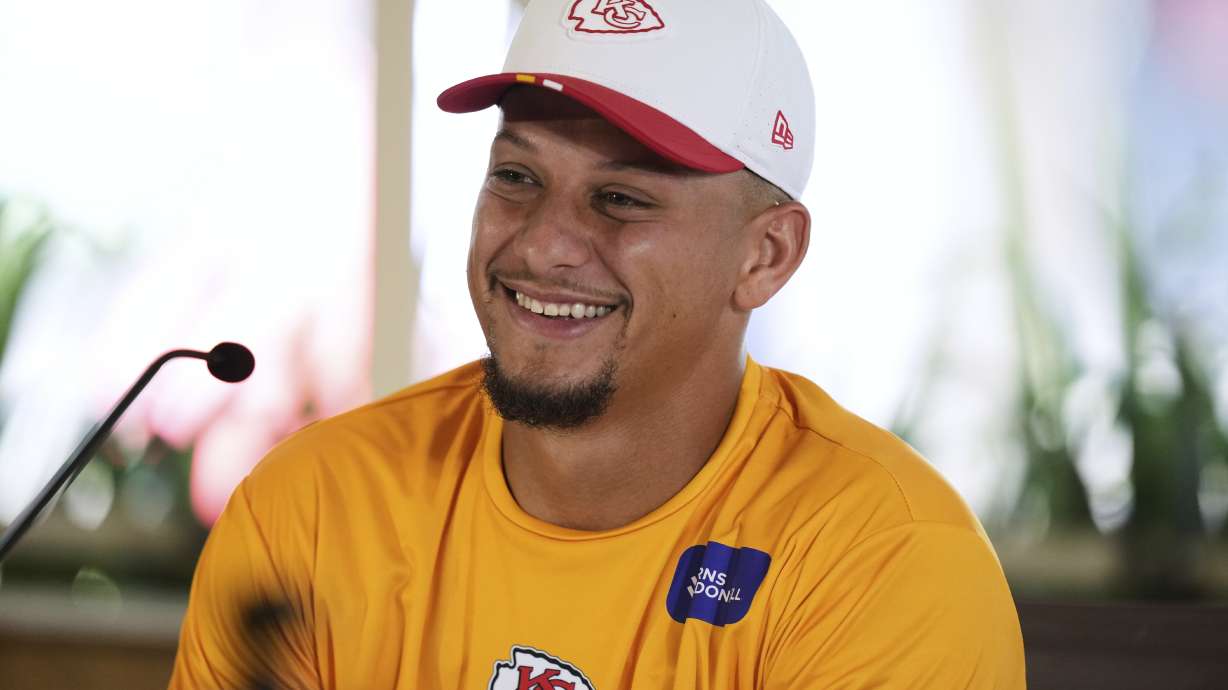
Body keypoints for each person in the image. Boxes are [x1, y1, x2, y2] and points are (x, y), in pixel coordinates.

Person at [170, 1, 1026, 687]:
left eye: (622, 198)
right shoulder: (314, 509)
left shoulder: (882, 561)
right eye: (516, 177)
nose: (543, 245)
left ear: (766, 256)